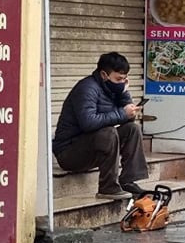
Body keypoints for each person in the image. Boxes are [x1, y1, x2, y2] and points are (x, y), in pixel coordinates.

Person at [52, 52, 149, 200]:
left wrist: (124, 93)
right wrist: (122, 113)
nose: (122, 82)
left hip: (91, 149)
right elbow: (88, 123)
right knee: (108, 133)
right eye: (118, 79)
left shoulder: (113, 90)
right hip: (69, 153)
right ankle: (107, 187)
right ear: (104, 74)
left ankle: (128, 181)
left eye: (124, 79)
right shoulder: (87, 88)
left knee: (133, 130)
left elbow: (127, 122)